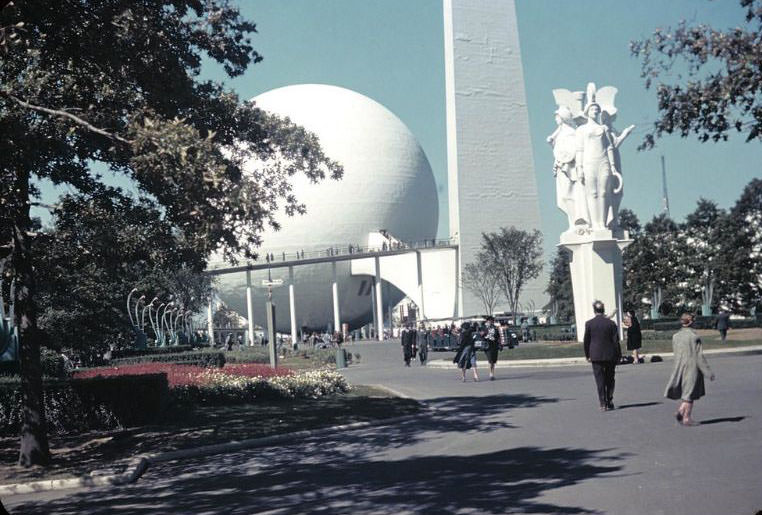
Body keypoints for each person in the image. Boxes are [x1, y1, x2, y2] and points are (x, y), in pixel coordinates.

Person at [575, 87, 621, 230]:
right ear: (588, 112)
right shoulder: (581, 130)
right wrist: (579, 168)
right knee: (592, 193)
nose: (595, 111)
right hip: (589, 163)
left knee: (603, 192)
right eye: (593, 109)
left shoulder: (604, 129)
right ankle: (594, 223)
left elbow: (609, 148)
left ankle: (602, 222)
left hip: (603, 162)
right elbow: (579, 150)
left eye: (597, 109)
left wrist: (613, 166)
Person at [665, 312, 715, 426]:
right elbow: (699, 356)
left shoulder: (676, 336)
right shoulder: (694, 337)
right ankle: (686, 417)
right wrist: (708, 372)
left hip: (679, 366)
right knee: (690, 394)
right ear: (691, 322)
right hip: (692, 367)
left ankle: (680, 411)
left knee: (686, 392)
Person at [583, 300, 621, 411]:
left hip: (595, 355)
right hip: (610, 355)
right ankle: (609, 399)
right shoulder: (611, 324)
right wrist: (618, 355)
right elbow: (615, 341)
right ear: (603, 310)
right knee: (610, 379)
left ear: (594, 310)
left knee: (600, 380)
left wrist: (587, 355)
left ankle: (602, 403)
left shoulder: (589, 324)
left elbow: (587, 341)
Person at [482, 316, 500, 380]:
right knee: (490, 360)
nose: (490, 322)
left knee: (493, 361)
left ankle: (492, 373)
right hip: (487, 346)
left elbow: (498, 336)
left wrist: (500, 344)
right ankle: (491, 374)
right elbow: (481, 334)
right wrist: (484, 333)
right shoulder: (484, 327)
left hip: (494, 346)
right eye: (488, 320)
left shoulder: (495, 328)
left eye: (491, 320)